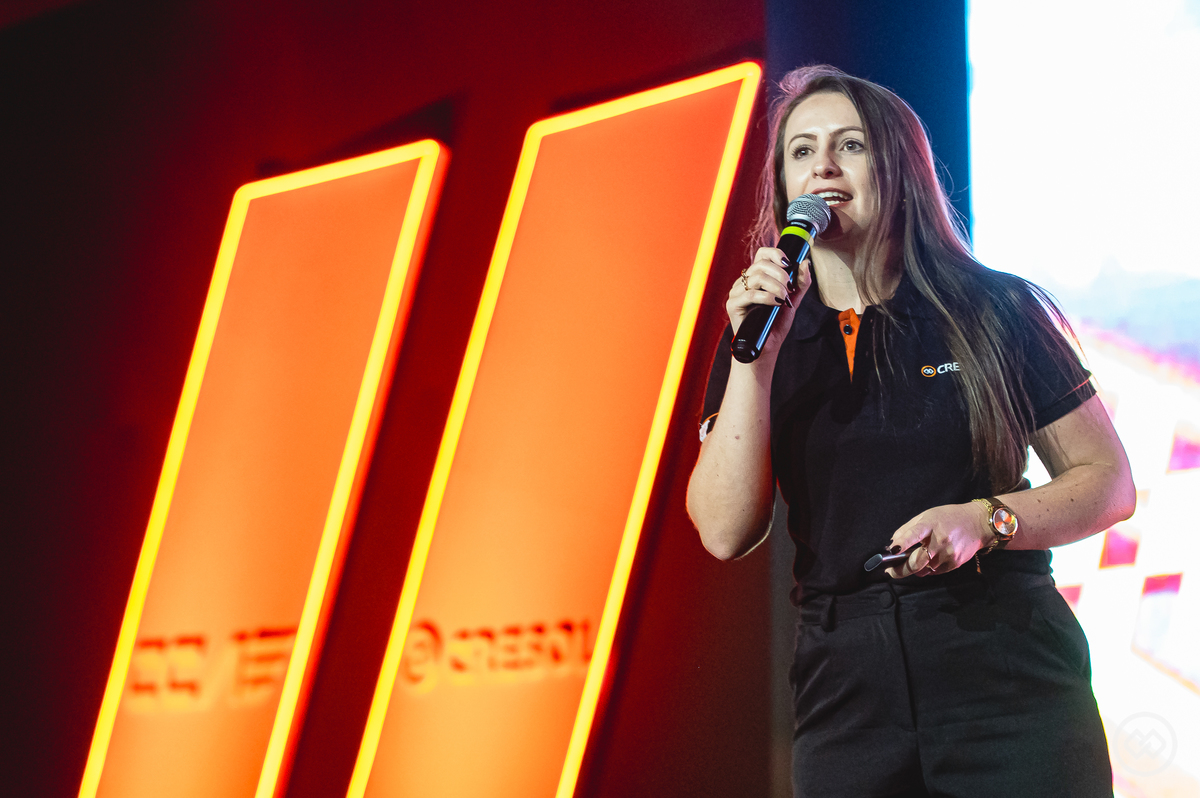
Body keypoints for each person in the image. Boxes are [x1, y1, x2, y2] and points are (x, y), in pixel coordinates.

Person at [686, 65, 1135, 798]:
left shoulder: (992, 309)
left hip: (1003, 670)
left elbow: (1108, 482)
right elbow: (722, 530)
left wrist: (984, 521)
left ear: (898, 169)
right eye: (800, 151)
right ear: (782, 185)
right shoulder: (761, 335)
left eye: (850, 145)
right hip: (845, 690)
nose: (822, 165)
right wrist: (756, 365)